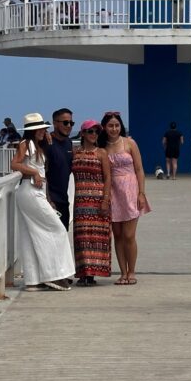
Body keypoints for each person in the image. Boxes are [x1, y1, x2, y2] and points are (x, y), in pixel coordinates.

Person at [10, 113, 76, 291]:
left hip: (35, 192)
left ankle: (33, 280)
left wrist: (46, 195)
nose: (44, 131)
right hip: (29, 191)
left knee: (30, 235)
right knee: (57, 229)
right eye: (41, 128)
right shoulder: (27, 144)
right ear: (33, 131)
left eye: (44, 128)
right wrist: (34, 173)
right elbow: (14, 164)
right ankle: (54, 275)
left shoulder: (37, 144)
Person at [101, 112, 150, 285]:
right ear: (104, 128)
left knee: (129, 235)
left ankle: (132, 271)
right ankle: (122, 272)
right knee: (118, 235)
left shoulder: (129, 143)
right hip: (112, 191)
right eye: (110, 126)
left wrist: (141, 193)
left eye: (116, 125)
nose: (114, 129)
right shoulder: (102, 147)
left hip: (130, 190)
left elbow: (139, 169)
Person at [72, 120, 112, 285]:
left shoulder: (101, 153)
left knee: (96, 237)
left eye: (96, 131)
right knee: (82, 237)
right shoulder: (75, 153)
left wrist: (105, 199)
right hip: (80, 200)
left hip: (97, 200)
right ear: (82, 134)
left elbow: (108, 177)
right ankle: (82, 273)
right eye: (90, 131)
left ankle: (91, 274)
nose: (94, 134)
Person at [45, 108, 75, 231]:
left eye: (71, 123)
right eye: (65, 123)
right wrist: (48, 200)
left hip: (63, 201)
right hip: (50, 202)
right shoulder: (46, 142)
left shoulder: (69, 143)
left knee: (62, 240)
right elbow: (43, 173)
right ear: (55, 123)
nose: (69, 126)